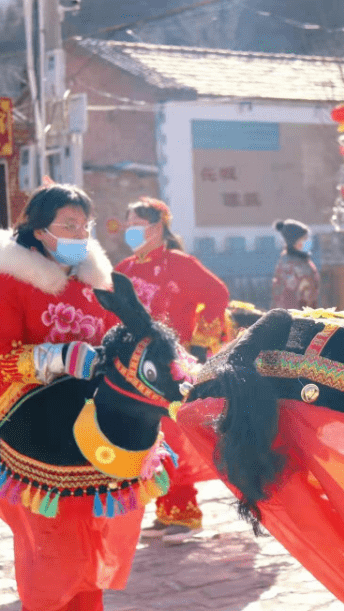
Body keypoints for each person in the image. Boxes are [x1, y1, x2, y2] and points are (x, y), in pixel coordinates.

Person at [0, 183, 124, 611]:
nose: (80, 234)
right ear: (40, 231)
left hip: (88, 430)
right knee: (48, 540)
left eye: (85, 225)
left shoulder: (94, 284)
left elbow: (114, 337)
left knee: (90, 533)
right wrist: (59, 356)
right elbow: (0, 357)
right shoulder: (9, 285)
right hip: (34, 431)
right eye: (69, 225)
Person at [115, 197, 228, 543]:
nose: (132, 231)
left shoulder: (179, 263)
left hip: (171, 365)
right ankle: (165, 509)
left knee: (173, 434)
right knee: (149, 436)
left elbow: (217, 294)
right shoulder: (124, 269)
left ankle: (186, 512)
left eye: (139, 224)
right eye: (129, 224)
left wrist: (197, 344)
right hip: (135, 368)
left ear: (158, 226)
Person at [271, 219, 320, 309]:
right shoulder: (290, 265)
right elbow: (288, 298)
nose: (308, 241)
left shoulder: (302, 261)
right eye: (304, 239)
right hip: (296, 317)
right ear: (294, 242)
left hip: (306, 313)